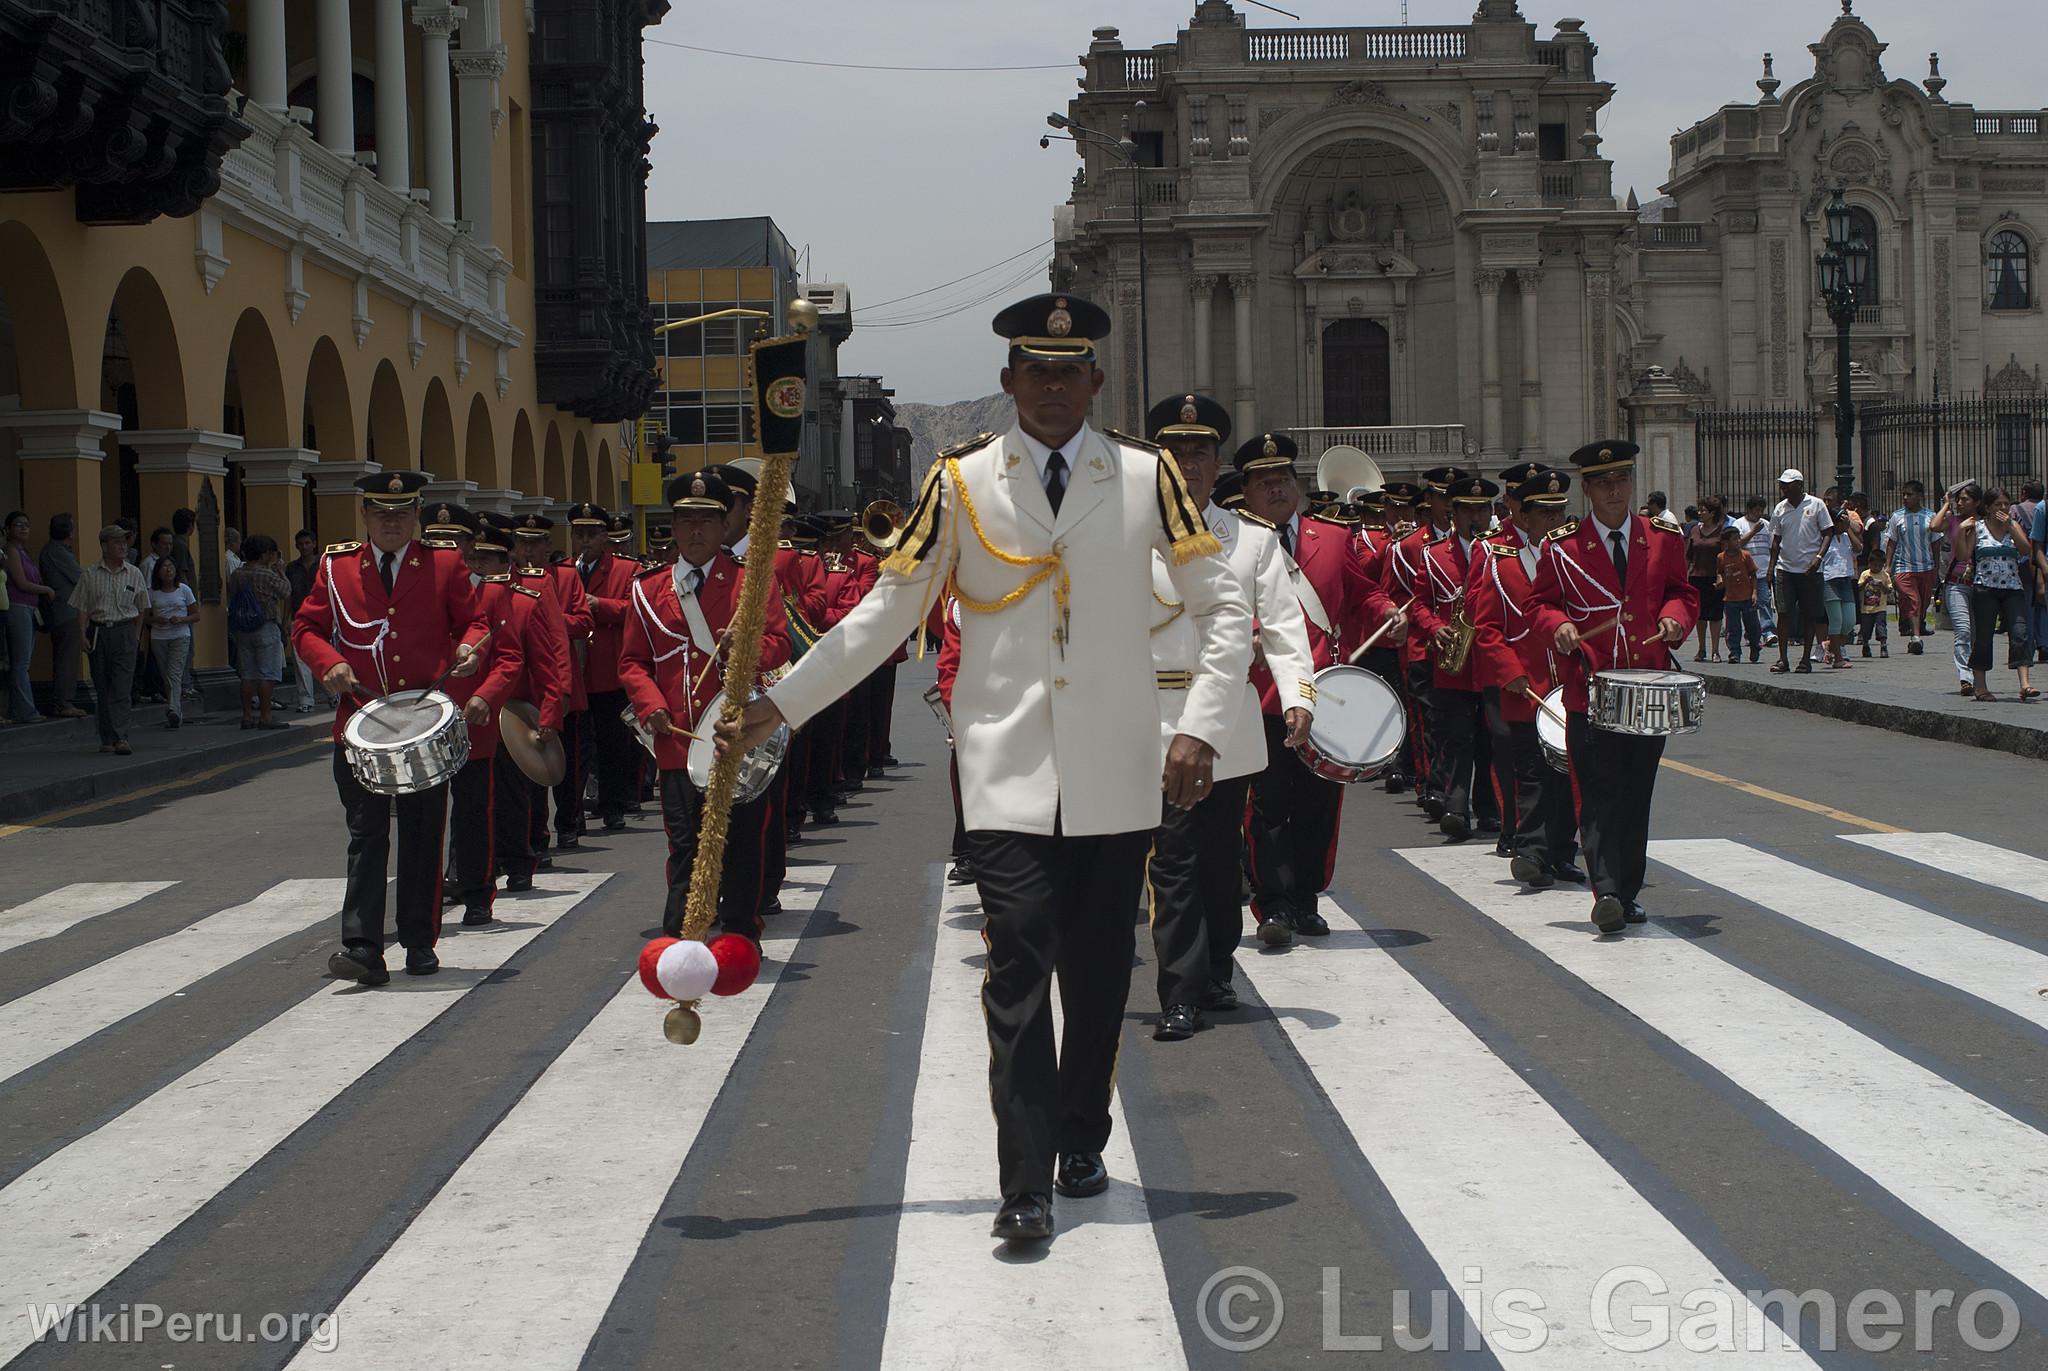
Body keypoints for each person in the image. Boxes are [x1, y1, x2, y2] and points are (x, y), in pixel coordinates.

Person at [720, 292, 1251, 1245]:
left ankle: (1083, 1131)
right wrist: (779, 704)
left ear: (1094, 380)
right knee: (1017, 967)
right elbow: (886, 616)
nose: (1052, 386)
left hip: (1116, 773)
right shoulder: (958, 483)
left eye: (1070, 370)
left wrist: (1200, 727)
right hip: (1005, 776)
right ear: (1008, 382)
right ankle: (1026, 1180)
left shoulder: (1146, 477)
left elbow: (1222, 611)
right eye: (1034, 371)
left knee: (1095, 977)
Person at [1142, 392, 1314, 1041]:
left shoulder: (1253, 540)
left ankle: (1217, 960)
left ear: (1218, 466)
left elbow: (1285, 622)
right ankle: (1180, 990)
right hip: (1155, 715)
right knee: (1172, 854)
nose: (1189, 464)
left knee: (1218, 855)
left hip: (1228, 720)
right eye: (1177, 452)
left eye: (1201, 452)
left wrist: (1298, 694)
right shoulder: (1130, 533)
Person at [291, 470, 490, 986]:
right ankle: (362, 947)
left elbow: (475, 621)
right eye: (382, 513)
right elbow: (306, 627)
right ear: (366, 516)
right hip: (360, 722)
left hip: (422, 721)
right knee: (367, 836)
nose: (392, 522)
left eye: (402, 513)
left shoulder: (444, 564)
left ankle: (420, 941)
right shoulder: (336, 568)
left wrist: (470, 647)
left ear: (416, 516)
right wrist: (327, 662)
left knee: (423, 836)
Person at [1528, 440, 1699, 934]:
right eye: (1603, 483)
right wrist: (1558, 626)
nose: (1614, 490)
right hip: (1590, 688)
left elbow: (1681, 593)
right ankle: (1605, 890)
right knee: (1599, 793)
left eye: (1622, 480)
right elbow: (1540, 604)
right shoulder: (1562, 546)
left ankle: (1627, 890)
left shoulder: (1662, 537)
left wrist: (1672, 620)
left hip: (1647, 690)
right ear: (1586, 489)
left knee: (1635, 794)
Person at [619, 469, 791, 941]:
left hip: (735, 737)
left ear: (723, 528)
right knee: (685, 849)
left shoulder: (749, 584)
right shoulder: (647, 589)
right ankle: (682, 941)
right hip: (676, 739)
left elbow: (780, 645)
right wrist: (650, 705)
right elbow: (633, 662)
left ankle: (739, 935)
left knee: (741, 846)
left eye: (706, 521)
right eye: (685, 520)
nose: (695, 531)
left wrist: (749, 645)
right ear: (672, 527)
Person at [1238, 431, 1395, 936]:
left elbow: (1362, 595)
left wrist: (1387, 611)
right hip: (1264, 696)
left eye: (1283, 479)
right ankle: (1274, 904)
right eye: (1265, 482)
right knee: (1268, 806)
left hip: (1324, 693)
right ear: (1247, 492)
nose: (1276, 489)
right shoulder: (1236, 545)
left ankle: (1307, 898)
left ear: (1298, 485)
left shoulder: (1331, 539)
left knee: (1319, 805)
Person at [1470, 468, 1584, 890]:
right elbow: (1488, 629)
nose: (1555, 522)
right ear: (1526, 518)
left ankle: (1562, 852)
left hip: (1569, 686)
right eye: (1546, 514)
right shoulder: (1502, 565)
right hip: (1527, 688)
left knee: (1568, 771)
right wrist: (1510, 673)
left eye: (1560, 512)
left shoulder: (1578, 561)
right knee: (1532, 773)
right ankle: (1532, 852)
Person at [427, 506, 540, 927]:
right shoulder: (418, 585)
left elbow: (510, 655)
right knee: (427, 813)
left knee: (475, 810)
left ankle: (476, 891)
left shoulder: (494, 592)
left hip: (474, 716)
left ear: (470, 544)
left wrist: (487, 696)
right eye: (436, 539)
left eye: (454, 540)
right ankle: (433, 889)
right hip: (426, 717)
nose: (446, 549)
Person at [1409, 475, 1502, 842]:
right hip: (1452, 661)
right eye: (1467, 510)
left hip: (1489, 659)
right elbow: (1417, 603)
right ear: (1454, 512)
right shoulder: (1433, 555)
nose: (1474, 517)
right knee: (1455, 737)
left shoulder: (1498, 553)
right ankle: (1455, 807)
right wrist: (1434, 628)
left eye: (1481, 510)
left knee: (1489, 738)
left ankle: (1488, 808)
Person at [511, 513, 593, 853]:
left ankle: (569, 822)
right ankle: (532, 833)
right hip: (522, 685)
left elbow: (583, 621)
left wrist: (547, 616)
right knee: (527, 766)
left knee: (568, 763)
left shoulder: (565, 577)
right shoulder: (508, 578)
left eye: (537, 542)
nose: (530, 549)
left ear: (548, 544)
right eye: (524, 542)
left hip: (560, 680)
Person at [567, 502, 640, 834]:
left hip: (609, 668)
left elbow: (636, 609)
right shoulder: (566, 570)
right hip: (576, 671)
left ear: (604, 537)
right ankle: (574, 809)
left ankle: (614, 805)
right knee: (577, 745)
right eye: (579, 535)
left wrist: (602, 606)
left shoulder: (626, 569)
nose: (584, 542)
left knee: (612, 742)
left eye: (591, 535)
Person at [69, 525, 149, 754]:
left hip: (125, 630)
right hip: (99, 631)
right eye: (116, 542)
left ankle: (121, 737)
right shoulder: (90, 574)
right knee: (103, 686)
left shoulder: (134, 573)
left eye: (125, 541)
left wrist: (136, 635)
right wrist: (82, 634)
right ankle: (107, 737)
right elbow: (82, 607)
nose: (123, 546)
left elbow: (141, 607)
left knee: (122, 687)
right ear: (104, 546)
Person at [1956, 487, 2037, 702]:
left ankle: (2025, 684)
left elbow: (2025, 549)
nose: (2002, 508)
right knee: (1983, 637)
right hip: (1985, 589)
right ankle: (1980, 686)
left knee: (2020, 632)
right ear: (1988, 507)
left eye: (2005, 504)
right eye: (1997, 505)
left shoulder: (2013, 527)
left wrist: (2011, 524)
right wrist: (1960, 533)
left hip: (2012, 588)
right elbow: (1963, 555)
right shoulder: (1978, 528)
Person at [1767, 469, 1836, 674]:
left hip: (1810, 570)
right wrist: (1771, 567)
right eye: (1782, 484)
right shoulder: (1780, 509)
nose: (1783, 488)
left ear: (1799, 485)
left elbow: (1827, 533)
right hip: (1785, 568)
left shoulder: (1816, 505)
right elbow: (1776, 540)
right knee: (1784, 612)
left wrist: (1818, 558)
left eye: (1788, 484)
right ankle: (1783, 658)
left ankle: (1805, 658)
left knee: (1809, 614)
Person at [226, 534, 295, 728]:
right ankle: (266, 716)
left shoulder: (237, 574)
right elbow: (286, 591)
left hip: (243, 627)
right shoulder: (266, 574)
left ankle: (247, 716)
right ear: (264, 554)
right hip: (265, 625)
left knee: (247, 674)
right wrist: (281, 571)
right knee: (267, 674)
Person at [4, 509, 56, 723]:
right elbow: (21, 582)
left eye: (27, 524)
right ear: (7, 529)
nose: (24, 528)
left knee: (23, 661)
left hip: (29, 609)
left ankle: (18, 709)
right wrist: (46, 590)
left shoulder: (24, 552)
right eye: (18, 524)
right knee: (21, 662)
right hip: (18, 607)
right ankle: (26, 710)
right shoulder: (10, 551)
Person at [1931, 482, 1979, 696]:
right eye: (1958, 499)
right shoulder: (1953, 520)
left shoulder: (1984, 524)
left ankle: (1979, 674)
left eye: (1965, 499)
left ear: (1977, 502)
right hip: (1956, 583)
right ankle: (1965, 676)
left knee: (1978, 633)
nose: (1960, 503)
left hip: (1980, 584)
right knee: (1963, 630)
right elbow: (1934, 525)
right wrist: (1945, 504)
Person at [38, 514, 87, 718]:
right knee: (67, 658)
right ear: (70, 531)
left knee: (66, 657)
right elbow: (80, 577)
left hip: (66, 610)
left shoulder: (56, 551)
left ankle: (63, 699)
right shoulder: (56, 552)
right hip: (65, 612)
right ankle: (63, 701)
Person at [143, 555, 199, 730]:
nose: (168, 570)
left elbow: (196, 615)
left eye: (171, 566)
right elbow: (145, 617)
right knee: (166, 675)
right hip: (159, 637)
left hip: (180, 636)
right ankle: (177, 712)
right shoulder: (152, 592)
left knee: (174, 673)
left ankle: (173, 709)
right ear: (158, 572)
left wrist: (181, 620)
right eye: (164, 567)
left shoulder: (184, 590)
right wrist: (155, 620)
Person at [1881, 481, 1937, 654]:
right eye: (1903, 494)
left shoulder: (1930, 516)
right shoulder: (1897, 517)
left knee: (1924, 601)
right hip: (1904, 567)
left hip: (1926, 566)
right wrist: (1888, 566)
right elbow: (1892, 541)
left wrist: (1936, 565)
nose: (1905, 498)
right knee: (1913, 600)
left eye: (1909, 494)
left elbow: (1936, 542)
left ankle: (1917, 625)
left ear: (1920, 496)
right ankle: (1916, 637)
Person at [1818, 486, 1863, 668]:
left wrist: (1847, 529)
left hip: (1845, 580)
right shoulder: (1823, 538)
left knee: (1849, 621)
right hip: (1829, 580)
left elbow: (1859, 547)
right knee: (1836, 620)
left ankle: (1831, 644)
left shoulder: (1844, 537)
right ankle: (1838, 658)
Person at [1687, 495, 1729, 662]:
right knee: (1700, 615)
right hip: (1697, 576)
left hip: (1715, 577)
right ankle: (1701, 648)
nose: (1700, 512)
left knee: (1715, 615)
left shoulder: (1722, 531)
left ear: (1712, 513)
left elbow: (1725, 555)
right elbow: (1688, 554)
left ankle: (1715, 650)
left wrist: (1722, 575)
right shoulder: (1695, 530)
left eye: (1703, 510)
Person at [1733, 496, 1776, 647]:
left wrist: (1771, 568)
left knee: (1765, 601)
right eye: (1757, 510)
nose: (1759, 513)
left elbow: (1772, 546)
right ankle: (1751, 633)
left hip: (1762, 571)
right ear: (1749, 510)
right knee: (1748, 605)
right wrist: (1753, 531)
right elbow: (1737, 544)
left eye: (1761, 510)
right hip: (1745, 572)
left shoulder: (1766, 525)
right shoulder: (1739, 524)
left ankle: (1768, 631)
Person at [1718, 525, 1760, 663]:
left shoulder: (1745, 555)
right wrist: (1719, 582)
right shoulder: (1721, 557)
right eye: (1734, 539)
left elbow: (1753, 575)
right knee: (1733, 628)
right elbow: (1720, 573)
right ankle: (1735, 652)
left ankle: (1755, 646)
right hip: (1730, 598)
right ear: (1726, 542)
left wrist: (1754, 593)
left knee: (1752, 626)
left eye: (1738, 538)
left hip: (1747, 597)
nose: (1737, 541)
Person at [1856, 542, 1892, 659]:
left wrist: (1882, 586)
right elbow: (1859, 588)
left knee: (1881, 626)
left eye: (1879, 565)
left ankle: (1883, 645)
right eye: (1874, 565)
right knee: (1866, 629)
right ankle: (1865, 645)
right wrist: (1866, 581)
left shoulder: (1885, 575)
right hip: (1866, 608)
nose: (1876, 568)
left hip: (1880, 607)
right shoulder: (1865, 574)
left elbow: (1889, 590)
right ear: (1869, 564)